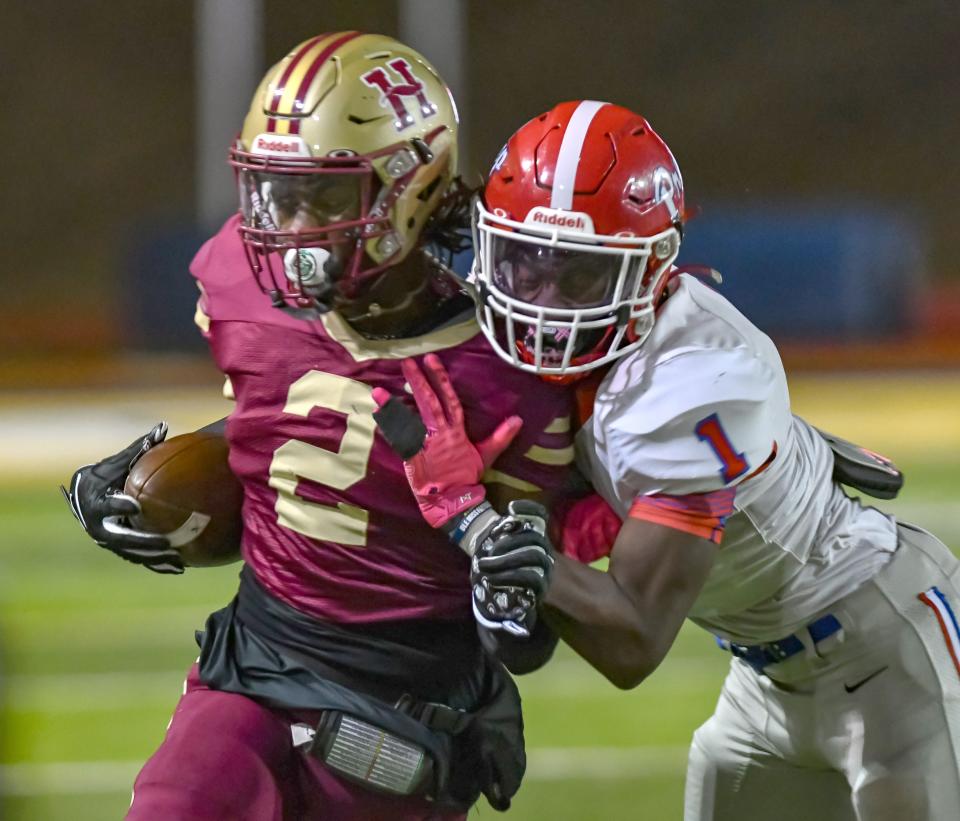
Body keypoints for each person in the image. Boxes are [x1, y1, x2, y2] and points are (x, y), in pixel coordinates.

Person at [376, 100, 960, 820]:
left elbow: (632, 641)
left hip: (886, 653)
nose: (546, 304)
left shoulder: (690, 383)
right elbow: (530, 628)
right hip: (767, 676)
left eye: (581, 275)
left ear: (652, 269)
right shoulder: (587, 373)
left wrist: (469, 518)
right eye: (526, 263)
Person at [63, 34, 583, 820]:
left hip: (400, 710)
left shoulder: (511, 363)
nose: (289, 226)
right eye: (277, 192)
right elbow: (280, 418)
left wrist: (509, 596)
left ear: (409, 189)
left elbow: (529, 623)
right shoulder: (240, 277)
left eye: (325, 197)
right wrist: (145, 486)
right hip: (256, 659)